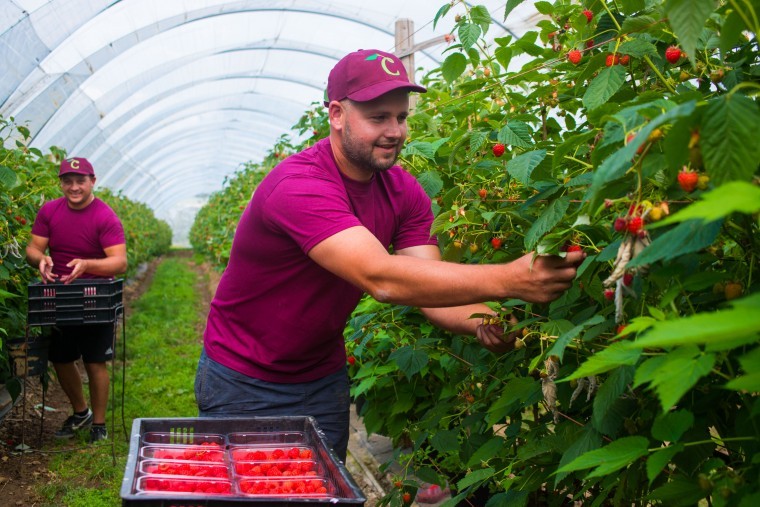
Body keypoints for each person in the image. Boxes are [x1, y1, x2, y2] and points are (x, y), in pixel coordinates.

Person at [194, 49, 583, 462]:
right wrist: (512, 280)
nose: (395, 131)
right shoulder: (299, 184)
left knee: (322, 492)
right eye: (378, 118)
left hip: (321, 377)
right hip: (245, 378)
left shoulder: (402, 190)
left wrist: (486, 319)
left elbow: (425, 283)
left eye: (401, 117)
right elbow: (383, 279)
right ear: (338, 114)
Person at [26, 157, 127, 443]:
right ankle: (80, 411)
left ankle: (99, 423)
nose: (74, 187)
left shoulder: (104, 216)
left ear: (92, 181)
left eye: (80, 181)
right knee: (60, 357)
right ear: (61, 183)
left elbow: (119, 263)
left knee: (96, 360)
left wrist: (86, 265)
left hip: (96, 298)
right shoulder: (49, 211)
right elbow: (32, 248)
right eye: (68, 181)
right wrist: (41, 259)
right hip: (60, 295)